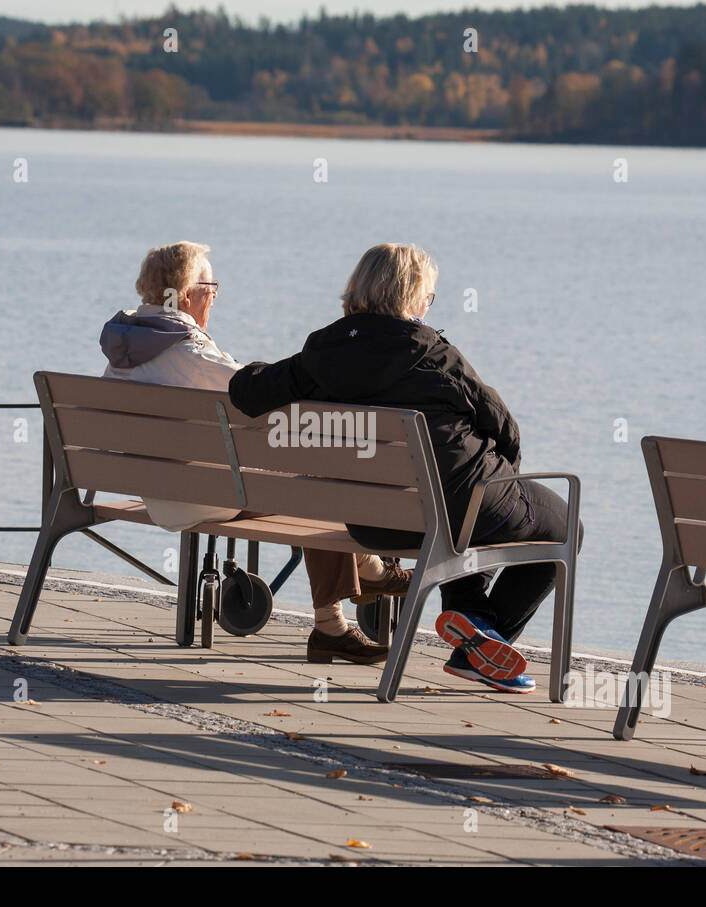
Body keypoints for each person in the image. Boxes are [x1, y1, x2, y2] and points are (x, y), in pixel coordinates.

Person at [228, 242, 582, 693]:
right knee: (566, 526)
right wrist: (503, 477)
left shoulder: (321, 353)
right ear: (412, 297)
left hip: (375, 525)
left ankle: (472, 617)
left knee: (461, 514)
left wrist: (259, 368)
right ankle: (479, 632)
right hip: (459, 507)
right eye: (428, 297)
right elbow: (506, 429)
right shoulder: (435, 355)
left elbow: (246, 392)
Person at [100, 241, 408, 664]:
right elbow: (260, 393)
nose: (215, 295)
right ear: (186, 293)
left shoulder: (125, 346)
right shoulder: (189, 351)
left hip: (154, 491)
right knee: (323, 478)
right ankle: (352, 594)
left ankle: (349, 601)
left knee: (311, 480)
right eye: (211, 286)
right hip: (196, 498)